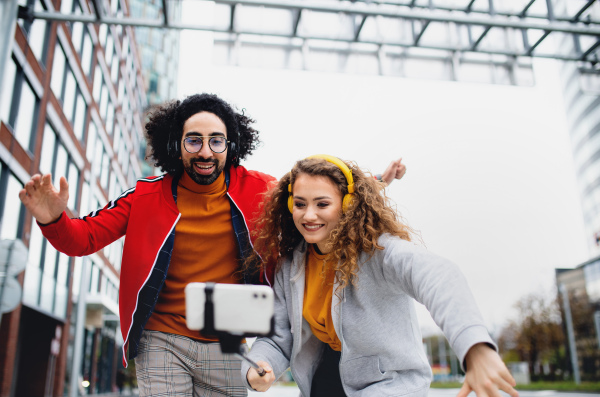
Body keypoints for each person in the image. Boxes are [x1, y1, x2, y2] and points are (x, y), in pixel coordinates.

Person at [18, 94, 406, 397]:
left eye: (216, 141)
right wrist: (52, 217)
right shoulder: (144, 196)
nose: (205, 151)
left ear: (230, 145)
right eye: (195, 140)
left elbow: (316, 194)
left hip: (229, 338)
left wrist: (373, 180)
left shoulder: (258, 188)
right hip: (162, 336)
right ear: (177, 144)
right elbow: (82, 239)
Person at [242, 155, 519, 397]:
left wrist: (476, 347)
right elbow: (278, 338)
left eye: (322, 204)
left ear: (348, 204)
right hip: (326, 379)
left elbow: (440, 276)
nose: (309, 215)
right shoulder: (291, 265)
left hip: (389, 385)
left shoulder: (380, 252)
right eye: (300, 204)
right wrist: (259, 366)